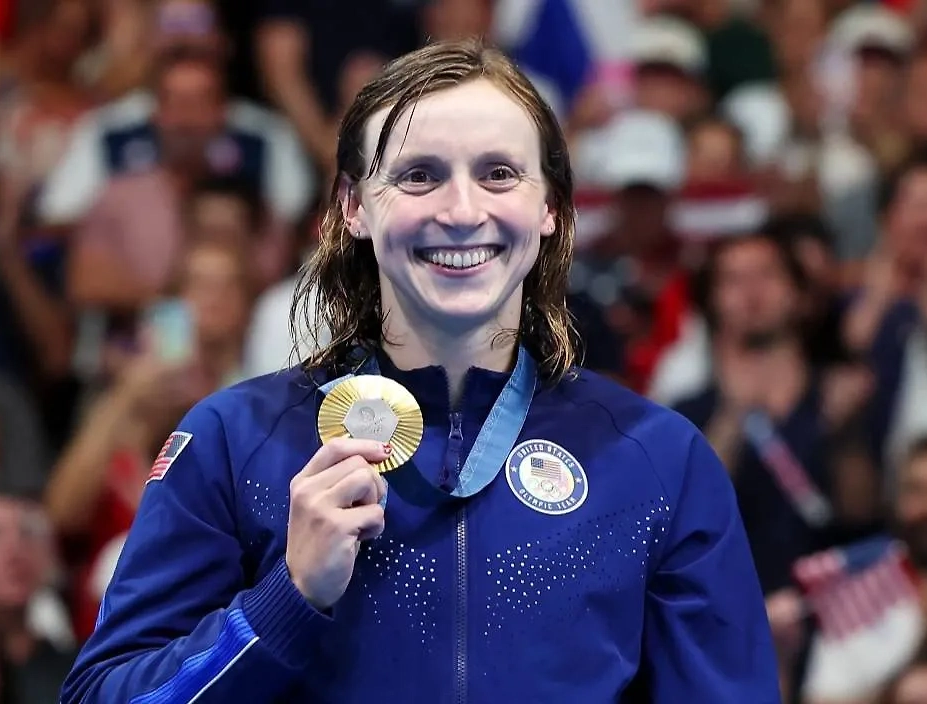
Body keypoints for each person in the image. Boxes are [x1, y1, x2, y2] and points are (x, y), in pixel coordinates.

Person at [60, 39, 780, 703]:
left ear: (550, 208)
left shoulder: (656, 460)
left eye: (498, 174)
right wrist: (287, 598)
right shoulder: (235, 441)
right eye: (418, 176)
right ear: (354, 207)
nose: (461, 211)